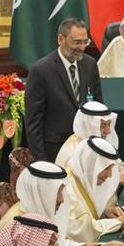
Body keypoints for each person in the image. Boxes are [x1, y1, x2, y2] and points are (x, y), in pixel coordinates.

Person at [25, 18, 103, 161]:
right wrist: (42, 161)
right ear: (61, 39)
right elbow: (33, 123)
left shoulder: (90, 64)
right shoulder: (41, 70)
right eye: (76, 42)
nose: (82, 47)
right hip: (55, 152)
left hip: (87, 149)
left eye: (85, 42)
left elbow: (98, 107)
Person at [53, 101, 124, 185]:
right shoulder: (73, 151)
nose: (108, 131)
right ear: (88, 125)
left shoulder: (95, 145)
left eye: (109, 124)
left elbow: (114, 166)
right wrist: (115, 180)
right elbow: (77, 189)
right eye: (103, 125)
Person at [65, 136, 124, 243]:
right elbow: (80, 232)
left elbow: (88, 215)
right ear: (90, 165)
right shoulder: (67, 187)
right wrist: (117, 222)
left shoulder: (82, 179)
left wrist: (105, 212)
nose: (110, 174)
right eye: (106, 168)